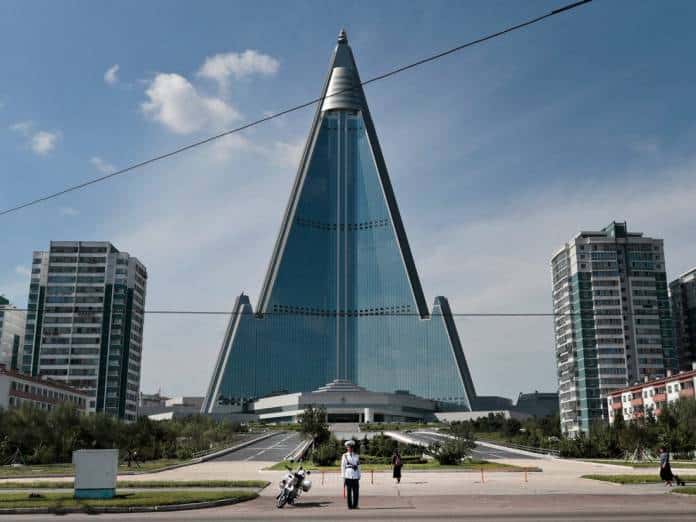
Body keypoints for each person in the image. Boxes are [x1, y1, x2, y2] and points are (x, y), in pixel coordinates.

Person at [341, 440, 361, 509]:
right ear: (347, 448)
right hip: (348, 475)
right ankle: (350, 506)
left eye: (351, 447)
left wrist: (359, 475)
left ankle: (355, 505)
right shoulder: (344, 456)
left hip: (355, 476)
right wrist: (343, 477)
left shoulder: (356, 456)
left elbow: (358, 466)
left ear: (353, 448)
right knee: (349, 492)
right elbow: (343, 466)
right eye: (349, 447)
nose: (350, 448)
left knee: (356, 492)